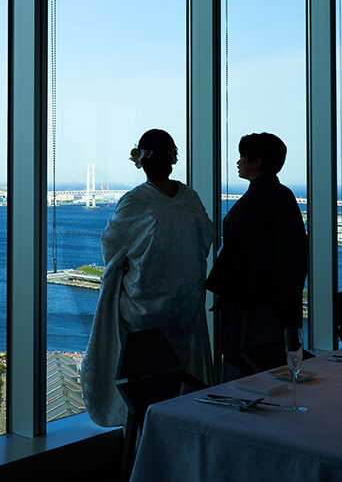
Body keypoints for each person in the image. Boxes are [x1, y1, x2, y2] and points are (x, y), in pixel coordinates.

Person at [81, 128, 215, 428]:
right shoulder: (189, 198)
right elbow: (206, 239)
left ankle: (145, 442)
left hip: (143, 310)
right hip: (185, 308)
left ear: (140, 161)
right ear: (172, 160)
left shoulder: (135, 201)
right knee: (177, 378)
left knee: (143, 385)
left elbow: (112, 247)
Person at [205, 132, 308, 379]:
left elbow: (237, 252)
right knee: (275, 370)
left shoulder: (253, 202)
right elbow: (296, 252)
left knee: (243, 372)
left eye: (242, 157)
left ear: (257, 161)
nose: (238, 162)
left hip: (249, 307)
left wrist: (223, 291)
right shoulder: (285, 196)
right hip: (280, 305)